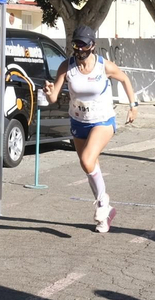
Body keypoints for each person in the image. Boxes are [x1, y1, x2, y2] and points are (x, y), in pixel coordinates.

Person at [45, 25, 138, 232]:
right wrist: (49, 92)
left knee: (87, 160)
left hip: (102, 120)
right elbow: (52, 98)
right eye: (76, 45)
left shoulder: (104, 66)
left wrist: (133, 106)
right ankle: (105, 214)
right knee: (88, 166)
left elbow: (124, 79)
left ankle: (103, 203)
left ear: (92, 46)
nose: (79, 49)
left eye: (83, 45)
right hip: (78, 121)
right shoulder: (66, 67)